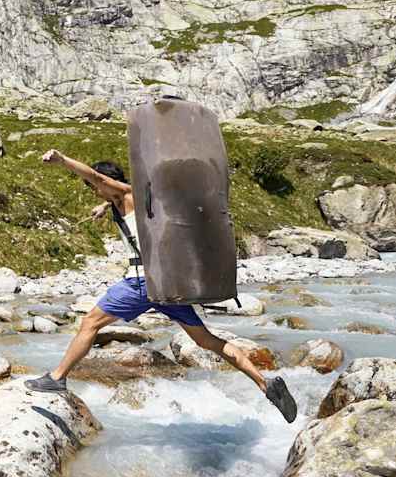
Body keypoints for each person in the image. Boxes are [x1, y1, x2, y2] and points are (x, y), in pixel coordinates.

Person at [24, 149, 299, 423]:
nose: (94, 192)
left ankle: (57, 378)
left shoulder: (123, 195)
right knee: (205, 341)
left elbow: (96, 178)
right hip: (168, 282)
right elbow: (115, 193)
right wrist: (105, 207)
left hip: (142, 282)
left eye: (96, 189)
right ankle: (265, 383)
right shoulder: (140, 199)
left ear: (107, 183)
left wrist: (63, 161)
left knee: (90, 324)